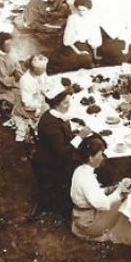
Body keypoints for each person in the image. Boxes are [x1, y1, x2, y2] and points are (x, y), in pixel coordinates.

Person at [71, 136, 131, 245]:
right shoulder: (87, 178)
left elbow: (91, 194)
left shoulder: (80, 170)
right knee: (124, 202)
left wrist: (110, 189)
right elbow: (103, 205)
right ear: (91, 158)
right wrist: (119, 192)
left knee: (120, 198)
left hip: (80, 217)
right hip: (89, 223)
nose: (103, 158)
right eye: (100, 155)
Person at [30, 82, 91, 218]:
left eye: (69, 102)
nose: (68, 105)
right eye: (65, 103)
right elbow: (62, 152)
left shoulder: (51, 114)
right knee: (89, 157)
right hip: (54, 164)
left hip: (51, 154)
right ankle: (84, 195)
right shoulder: (52, 125)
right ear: (56, 103)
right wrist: (80, 136)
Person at [9, 55, 50, 142]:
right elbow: (27, 104)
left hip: (41, 98)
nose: (45, 69)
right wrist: (42, 105)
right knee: (49, 111)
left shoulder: (41, 73)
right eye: (43, 68)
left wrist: (46, 89)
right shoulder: (26, 81)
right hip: (29, 107)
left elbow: (46, 82)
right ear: (35, 70)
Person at [56, 0, 100, 71]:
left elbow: (95, 38)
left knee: (87, 61)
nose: (81, 12)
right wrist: (78, 52)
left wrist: (94, 56)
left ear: (88, 10)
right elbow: (68, 39)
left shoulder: (93, 20)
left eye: (83, 10)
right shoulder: (72, 19)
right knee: (71, 62)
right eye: (79, 10)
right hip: (73, 46)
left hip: (86, 45)